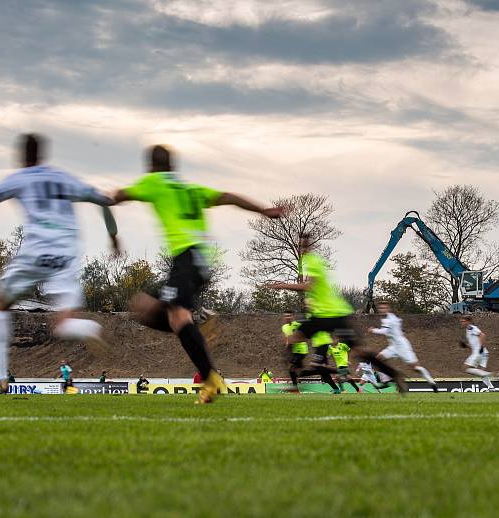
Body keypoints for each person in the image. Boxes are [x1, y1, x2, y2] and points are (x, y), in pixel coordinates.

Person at [0, 134, 119, 394]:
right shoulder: (63, 177)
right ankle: (90, 327)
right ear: (42, 154)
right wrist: (113, 235)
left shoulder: (19, 179)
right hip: (67, 252)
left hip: (37, 249)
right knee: (63, 324)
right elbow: (104, 200)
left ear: (22, 156)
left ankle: (0, 375)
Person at [110, 145, 283, 404]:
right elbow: (227, 196)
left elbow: (119, 194)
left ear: (152, 166)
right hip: (200, 261)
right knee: (145, 308)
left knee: (177, 316)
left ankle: (209, 376)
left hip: (186, 258)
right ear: (172, 165)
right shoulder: (192, 189)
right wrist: (262, 210)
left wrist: (106, 200)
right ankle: (199, 327)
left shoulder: (154, 182)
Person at [266, 233, 407, 394]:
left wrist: (282, 286)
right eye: (301, 246)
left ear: (309, 247)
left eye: (304, 246)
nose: (302, 249)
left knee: (291, 340)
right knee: (356, 351)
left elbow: (309, 286)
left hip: (328, 315)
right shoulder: (312, 261)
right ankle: (395, 375)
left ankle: (294, 383)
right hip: (330, 315)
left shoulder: (313, 261)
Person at [370, 302, 437, 392]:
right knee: (377, 360)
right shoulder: (389, 318)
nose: (382, 310)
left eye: (384, 308)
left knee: (416, 368)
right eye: (381, 308)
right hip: (393, 347)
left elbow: (385, 331)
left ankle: (432, 382)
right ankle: (386, 380)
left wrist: (373, 330)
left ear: (388, 309)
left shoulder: (389, 319)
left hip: (403, 347)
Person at [461, 316, 495, 391]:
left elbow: (482, 335)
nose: (462, 323)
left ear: (468, 321)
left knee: (465, 368)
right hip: (483, 353)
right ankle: (491, 387)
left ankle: (486, 373)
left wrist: (481, 347)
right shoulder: (468, 330)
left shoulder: (471, 328)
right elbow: (473, 346)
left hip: (479, 352)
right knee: (480, 372)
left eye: (463, 321)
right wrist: (465, 346)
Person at [282, 311, 309, 391]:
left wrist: (294, 340)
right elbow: (287, 338)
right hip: (294, 352)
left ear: (293, 316)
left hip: (302, 351)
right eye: (286, 316)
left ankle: (295, 388)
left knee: (291, 368)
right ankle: (318, 371)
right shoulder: (284, 327)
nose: (288, 317)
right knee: (298, 371)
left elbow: (305, 338)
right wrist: (287, 344)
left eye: (289, 315)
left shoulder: (298, 325)